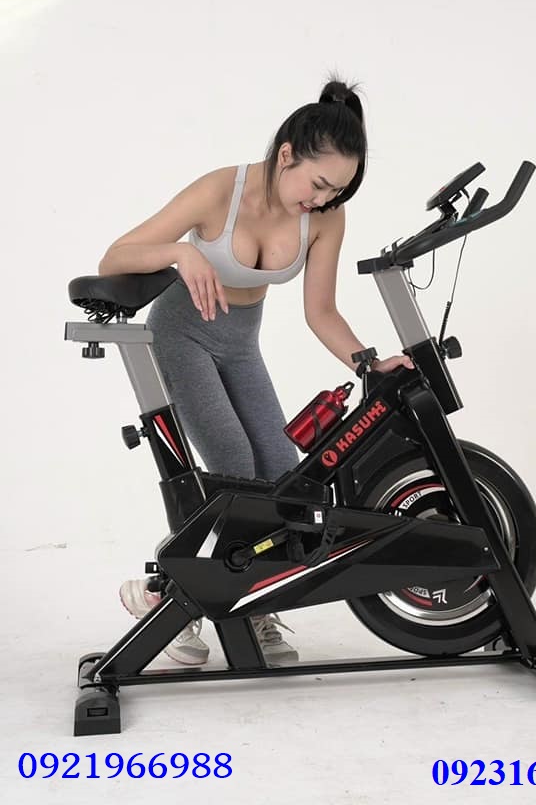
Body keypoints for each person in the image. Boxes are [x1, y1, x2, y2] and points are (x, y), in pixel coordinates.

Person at [98, 78, 414, 667]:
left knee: (283, 476)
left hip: (241, 346)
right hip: (182, 335)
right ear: (287, 154)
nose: (323, 200)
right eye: (318, 184)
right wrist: (181, 253)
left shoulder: (325, 218)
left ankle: (252, 600)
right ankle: (168, 599)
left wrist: (370, 362)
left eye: (338, 190)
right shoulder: (221, 190)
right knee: (235, 470)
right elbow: (115, 257)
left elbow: (321, 311)